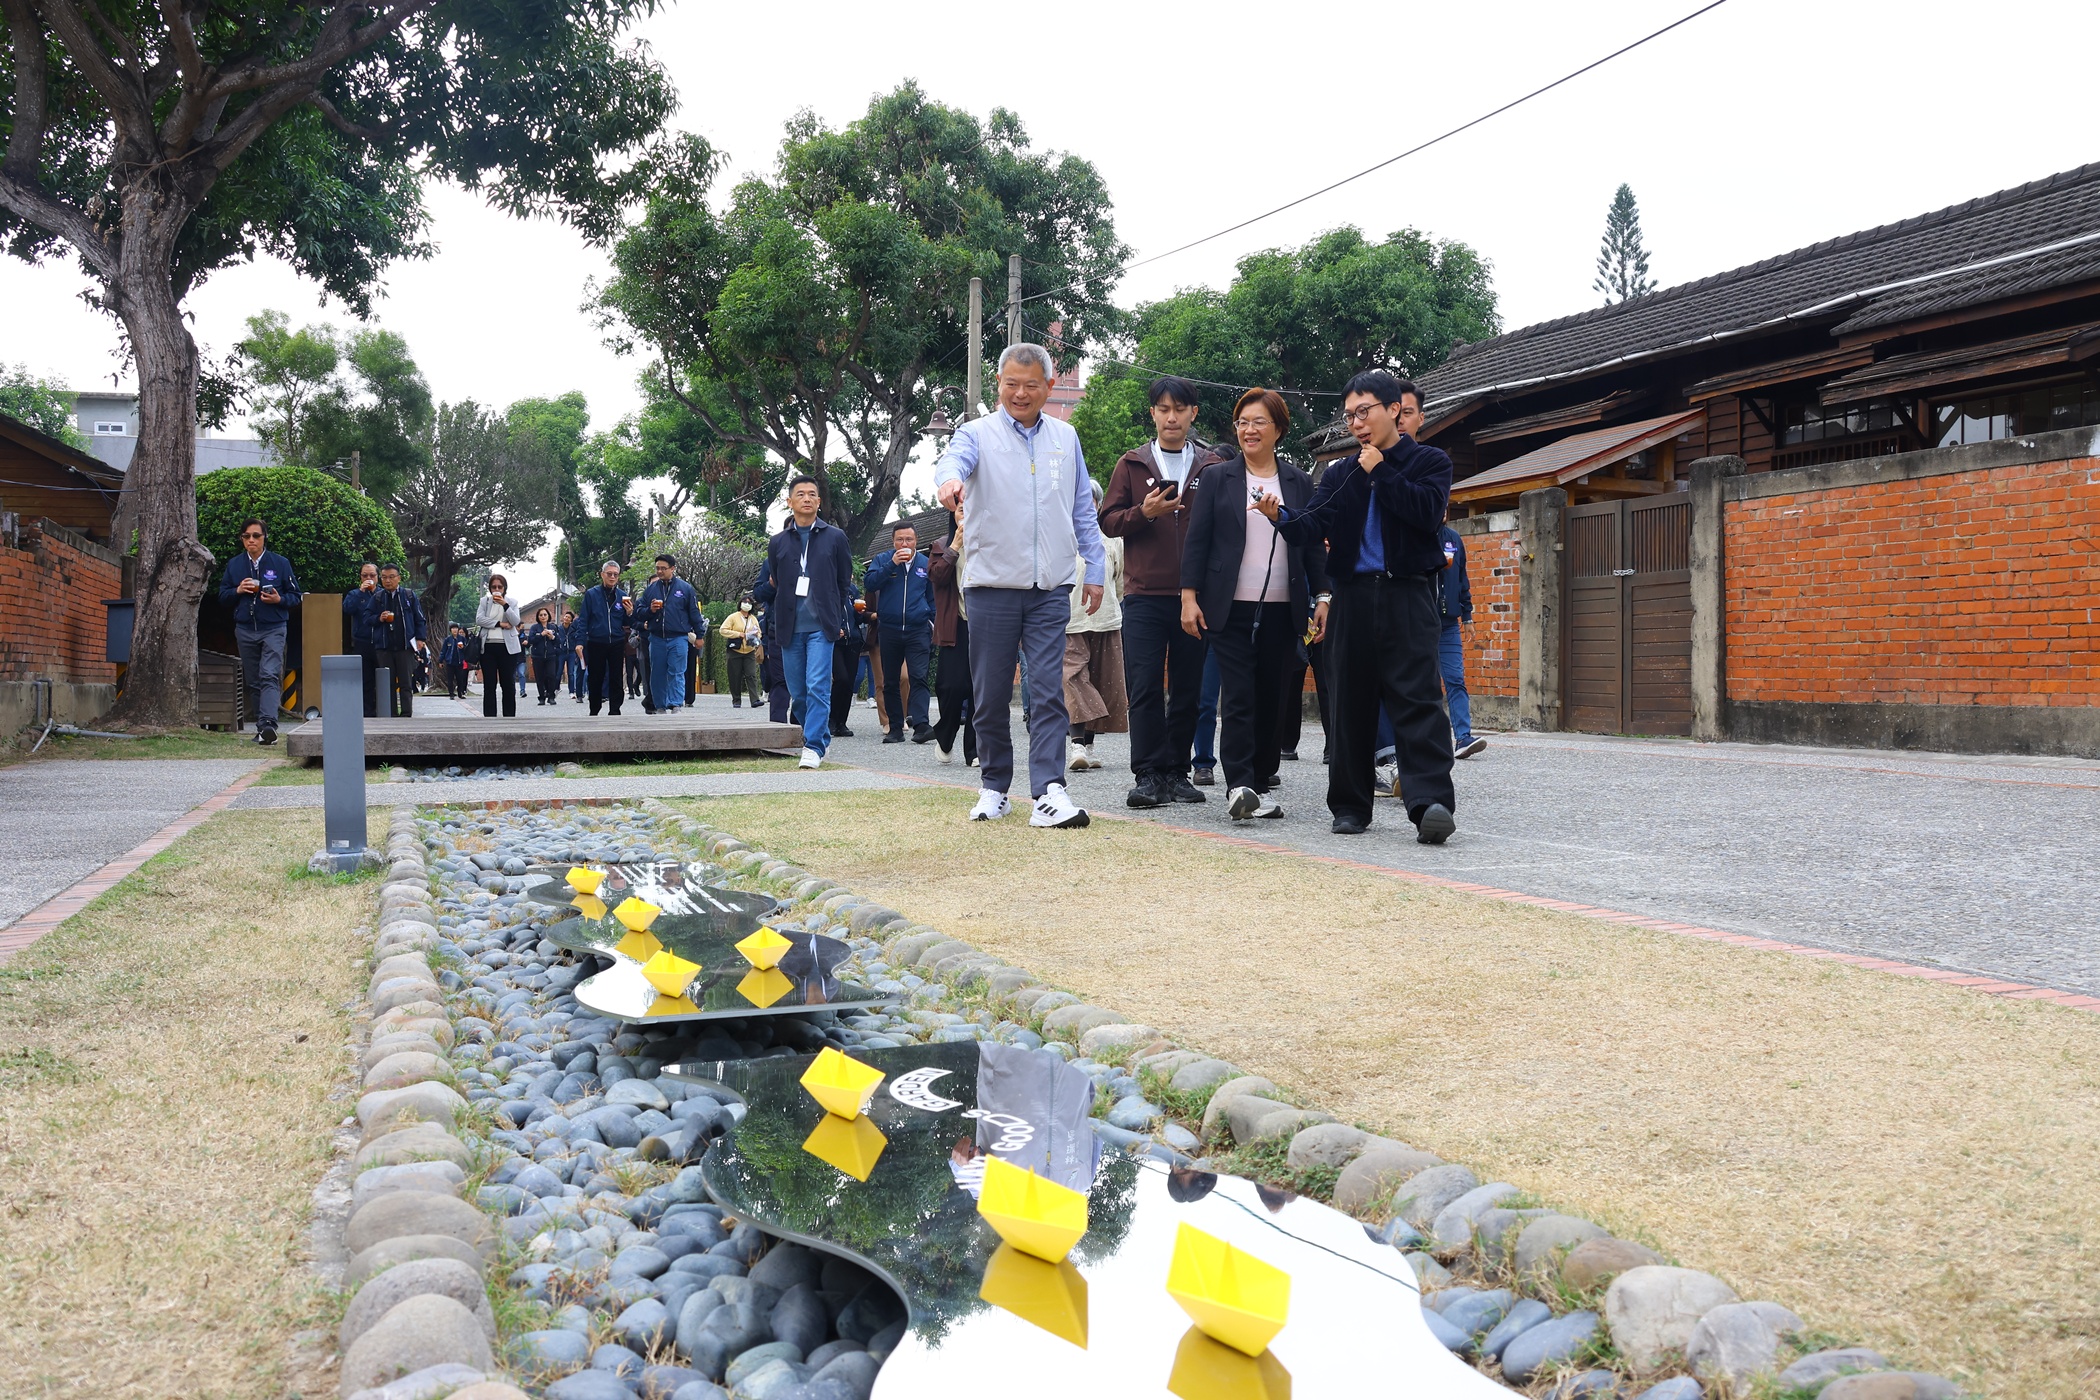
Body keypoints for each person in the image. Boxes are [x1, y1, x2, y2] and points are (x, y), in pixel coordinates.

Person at [1262, 371, 1457, 842]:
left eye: (1364, 412)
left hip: (1408, 594)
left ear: (1394, 409)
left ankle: (1429, 804)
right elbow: (1313, 522)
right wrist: (1280, 516)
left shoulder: (1429, 461)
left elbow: (1426, 514)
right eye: (1350, 415)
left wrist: (1381, 470)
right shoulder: (1340, 472)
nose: (1356, 423)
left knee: (1418, 701)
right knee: (1349, 702)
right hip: (1351, 596)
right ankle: (1350, 807)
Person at [933, 343, 1104, 829]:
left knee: (1048, 690)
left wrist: (1094, 568)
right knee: (989, 695)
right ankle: (994, 786)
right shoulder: (976, 433)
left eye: (1031, 385)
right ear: (999, 385)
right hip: (991, 584)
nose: (1021, 394)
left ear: (1049, 387)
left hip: (1050, 586)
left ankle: (1049, 791)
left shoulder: (1066, 437)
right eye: (1012, 384)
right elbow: (952, 462)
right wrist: (948, 482)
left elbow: (1081, 507)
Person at [1181, 388, 1328, 822]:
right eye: (1243, 422)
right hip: (1228, 606)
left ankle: (1260, 783)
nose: (1249, 429)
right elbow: (1197, 540)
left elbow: (1312, 543)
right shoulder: (1217, 477)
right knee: (1240, 695)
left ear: (1278, 429)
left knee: (1273, 696)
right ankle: (1239, 784)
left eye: (1259, 421)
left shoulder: (1299, 481)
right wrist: (1188, 597)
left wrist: (1323, 595)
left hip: (1284, 606)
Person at [1098, 376, 1223, 807]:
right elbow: (1108, 521)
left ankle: (1177, 772)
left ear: (1193, 413)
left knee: (1189, 688)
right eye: (1164, 409)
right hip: (1144, 595)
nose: (1172, 417)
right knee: (1145, 687)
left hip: (1195, 598)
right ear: (1152, 413)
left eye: (1180, 409)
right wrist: (1144, 512)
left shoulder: (1211, 466)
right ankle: (1148, 774)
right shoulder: (1132, 464)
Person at [751, 475, 855, 769]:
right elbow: (774, 582)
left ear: (819, 502)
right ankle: (820, 736)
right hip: (789, 627)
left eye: (812, 494)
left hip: (822, 627)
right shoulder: (778, 542)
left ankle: (812, 746)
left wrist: (834, 612)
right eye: (800, 494)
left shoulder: (835, 537)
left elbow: (843, 581)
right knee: (798, 693)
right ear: (790, 501)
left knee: (817, 686)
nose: (806, 498)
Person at [216, 517, 301, 745]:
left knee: (269, 674)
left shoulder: (280, 563)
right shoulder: (235, 565)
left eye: (256, 536)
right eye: (246, 536)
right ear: (242, 539)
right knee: (253, 680)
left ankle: (269, 724)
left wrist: (279, 600)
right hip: (245, 629)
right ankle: (263, 729)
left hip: (274, 627)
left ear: (264, 538)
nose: (251, 540)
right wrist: (237, 590)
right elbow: (222, 596)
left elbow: (296, 596)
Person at [1065, 481, 1127, 771]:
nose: (1085, 506)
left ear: (1099, 506)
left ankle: (1088, 746)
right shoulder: (1062, 540)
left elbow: (1120, 583)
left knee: (1103, 681)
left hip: (1106, 620)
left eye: (1090, 501)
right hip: (1070, 621)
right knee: (1073, 678)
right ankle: (1076, 744)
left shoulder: (1113, 542)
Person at [864, 521, 936, 743]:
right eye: (900, 540)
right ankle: (895, 727)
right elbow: (870, 583)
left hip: (918, 629)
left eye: (909, 539)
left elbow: (932, 597)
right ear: (893, 541)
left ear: (916, 541)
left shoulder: (925, 563)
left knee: (918, 677)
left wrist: (932, 624)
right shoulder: (882, 560)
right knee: (891, 680)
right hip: (890, 629)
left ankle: (922, 725)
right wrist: (892, 565)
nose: (904, 544)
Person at [927, 510, 976, 766]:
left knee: (981, 690)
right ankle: (945, 735)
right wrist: (955, 545)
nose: (967, 512)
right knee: (951, 687)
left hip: (986, 625)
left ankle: (975, 750)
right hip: (956, 624)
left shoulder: (992, 542)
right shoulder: (941, 545)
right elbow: (936, 576)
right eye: (961, 509)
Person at [1437, 524, 1488, 760]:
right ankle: (1425, 740)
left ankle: (1463, 737)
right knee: (1423, 684)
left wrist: (1467, 616)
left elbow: (1462, 579)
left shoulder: (1454, 539)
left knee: (1455, 679)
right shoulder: (1416, 532)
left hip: (1449, 624)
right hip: (1420, 623)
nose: (1442, 510)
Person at [636, 553, 705, 714]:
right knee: (657, 673)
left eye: (663, 568)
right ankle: (660, 705)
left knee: (677, 671)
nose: (660, 571)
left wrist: (700, 635)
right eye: (657, 568)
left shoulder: (685, 589)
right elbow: (638, 612)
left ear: (672, 569)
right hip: (657, 638)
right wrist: (650, 610)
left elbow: (694, 613)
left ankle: (675, 704)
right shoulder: (651, 589)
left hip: (679, 637)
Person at [576, 561, 635, 716]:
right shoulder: (591, 594)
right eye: (609, 574)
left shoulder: (622, 596)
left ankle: (615, 710)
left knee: (616, 678)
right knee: (595, 677)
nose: (612, 577)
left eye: (615, 574)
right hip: (596, 641)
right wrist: (580, 642)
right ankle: (594, 710)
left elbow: (628, 623)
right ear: (602, 574)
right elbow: (583, 620)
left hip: (616, 641)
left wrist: (630, 613)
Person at [370, 563, 427, 718]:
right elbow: (366, 618)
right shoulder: (378, 597)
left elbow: (420, 619)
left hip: (405, 646)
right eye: (384, 577)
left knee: (406, 682)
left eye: (391, 577)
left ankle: (406, 714)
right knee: (387, 684)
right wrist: (378, 618)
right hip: (384, 647)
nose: (388, 581)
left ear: (399, 578)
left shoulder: (409, 596)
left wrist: (420, 639)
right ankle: (391, 715)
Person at [474, 574, 522, 717]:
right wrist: (499, 624)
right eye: (494, 587)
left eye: (499, 587)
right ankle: (489, 718)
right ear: (490, 588)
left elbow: (515, 621)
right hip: (488, 646)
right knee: (489, 685)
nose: (497, 590)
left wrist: (504, 605)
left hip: (507, 647)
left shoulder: (512, 602)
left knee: (508, 684)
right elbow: (479, 619)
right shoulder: (485, 602)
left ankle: (509, 717)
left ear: (504, 588)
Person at [343, 563, 380, 717]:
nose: (368, 578)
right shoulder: (354, 594)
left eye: (372, 575)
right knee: (366, 680)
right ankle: (367, 713)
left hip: (380, 642)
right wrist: (360, 592)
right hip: (362, 642)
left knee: (383, 678)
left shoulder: (383, 594)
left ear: (377, 577)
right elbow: (347, 609)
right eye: (365, 575)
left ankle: (385, 711)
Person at [720, 592, 764, 707]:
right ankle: (736, 700)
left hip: (749, 650)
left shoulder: (753, 619)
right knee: (735, 676)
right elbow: (723, 630)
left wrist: (756, 637)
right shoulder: (733, 617)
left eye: (749, 603)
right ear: (740, 604)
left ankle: (754, 700)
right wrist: (738, 634)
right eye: (745, 602)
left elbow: (759, 632)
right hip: (735, 650)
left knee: (751, 675)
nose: (747, 604)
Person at [527, 606, 564, 705]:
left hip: (551, 656)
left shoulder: (553, 627)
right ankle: (541, 697)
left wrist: (552, 637)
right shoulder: (534, 628)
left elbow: (558, 641)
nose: (543, 617)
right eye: (541, 615)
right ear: (538, 617)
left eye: (545, 615)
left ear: (548, 616)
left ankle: (551, 696)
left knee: (551, 675)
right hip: (537, 656)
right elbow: (530, 640)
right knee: (540, 677)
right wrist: (541, 635)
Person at [560, 608, 585, 701]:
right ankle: (578, 694)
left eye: (568, 617)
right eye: (565, 616)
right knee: (560, 672)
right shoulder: (560, 628)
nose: (566, 618)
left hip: (573, 652)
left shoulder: (596, 617)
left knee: (572, 673)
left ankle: (573, 691)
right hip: (568, 651)